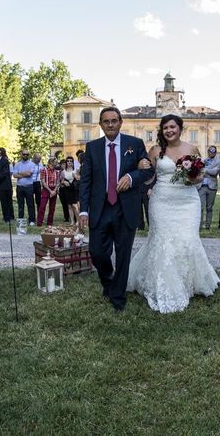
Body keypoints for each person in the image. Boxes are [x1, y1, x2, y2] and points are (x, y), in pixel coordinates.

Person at [127, 114, 219, 313]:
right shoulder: (156, 150)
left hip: (188, 201)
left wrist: (195, 178)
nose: (169, 131)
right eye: (165, 128)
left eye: (172, 127)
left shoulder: (192, 149)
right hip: (162, 202)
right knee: (163, 241)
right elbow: (146, 176)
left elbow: (201, 174)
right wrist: (139, 167)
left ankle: (188, 283)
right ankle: (166, 285)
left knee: (188, 239)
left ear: (180, 128)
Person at [80, 106, 154, 312]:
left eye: (114, 120)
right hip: (100, 209)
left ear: (121, 122)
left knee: (123, 255)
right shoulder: (92, 147)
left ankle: (118, 297)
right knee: (97, 253)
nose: (110, 124)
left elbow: (148, 170)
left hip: (125, 209)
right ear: (101, 125)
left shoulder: (135, 144)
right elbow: (86, 181)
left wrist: (131, 177)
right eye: (106, 121)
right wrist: (84, 210)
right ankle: (108, 282)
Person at [197, 146, 220, 230]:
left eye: (213, 151)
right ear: (208, 152)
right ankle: (199, 225)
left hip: (212, 187)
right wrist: (209, 170)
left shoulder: (218, 161)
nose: (212, 153)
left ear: (215, 152)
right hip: (202, 186)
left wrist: (204, 170)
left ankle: (208, 225)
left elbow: (215, 172)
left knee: (209, 207)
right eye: (210, 151)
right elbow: (199, 171)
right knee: (200, 207)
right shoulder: (203, 161)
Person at [13, 149, 37, 226]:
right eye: (24, 154)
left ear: (29, 155)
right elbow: (14, 175)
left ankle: (32, 220)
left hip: (29, 187)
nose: (25, 156)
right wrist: (24, 174)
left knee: (30, 204)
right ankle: (20, 219)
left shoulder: (32, 164)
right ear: (21, 154)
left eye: (27, 154)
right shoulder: (17, 164)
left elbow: (29, 174)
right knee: (20, 204)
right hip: (19, 187)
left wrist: (19, 173)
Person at [38, 157, 60, 227]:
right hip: (46, 189)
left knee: (52, 207)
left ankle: (50, 223)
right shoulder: (43, 170)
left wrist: (54, 190)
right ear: (51, 162)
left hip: (54, 189)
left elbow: (58, 182)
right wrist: (50, 191)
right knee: (42, 206)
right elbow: (43, 181)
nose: (57, 163)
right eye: (56, 162)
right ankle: (39, 222)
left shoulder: (57, 172)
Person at [60, 156, 80, 225]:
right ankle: (72, 221)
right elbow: (61, 181)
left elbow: (78, 179)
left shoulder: (75, 170)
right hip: (67, 190)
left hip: (73, 189)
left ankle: (78, 220)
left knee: (75, 205)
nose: (69, 162)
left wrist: (75, 176)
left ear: (72, 162)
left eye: (71, 161)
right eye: (68, 161)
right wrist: (63, 182)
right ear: (66, 162)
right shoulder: (63, 172)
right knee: (69, 206)